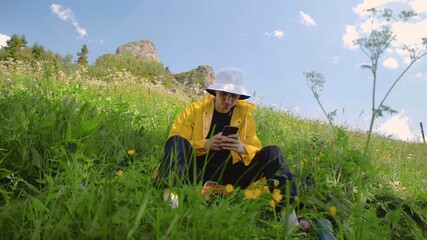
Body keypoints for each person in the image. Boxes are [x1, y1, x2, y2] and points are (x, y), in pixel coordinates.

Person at [155, 67, 299, 227]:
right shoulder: (194, 110)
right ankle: (170, 204)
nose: (229, 101)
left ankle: (290, 219)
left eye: (234, 96)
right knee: (177, 141)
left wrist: (241, 148)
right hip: (196, 170)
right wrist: (206, 144)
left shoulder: (245, 117)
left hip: (231, 176)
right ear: (215, 92)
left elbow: (255, 148)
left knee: (273, 152)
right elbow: (177, 140)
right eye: (224, 94)